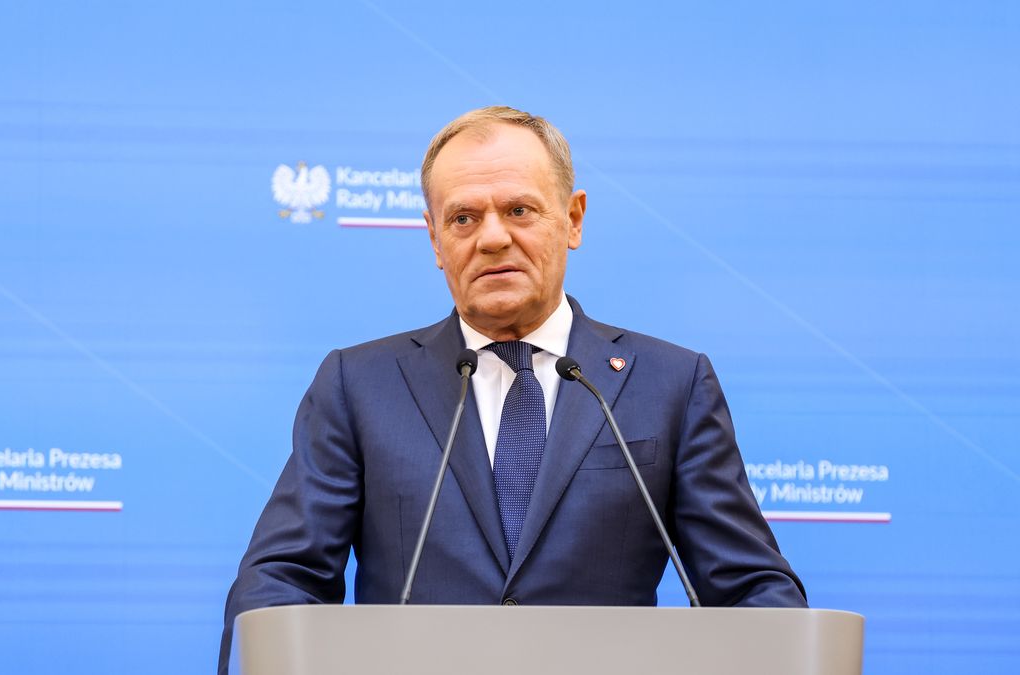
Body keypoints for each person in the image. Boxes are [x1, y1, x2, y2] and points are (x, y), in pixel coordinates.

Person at [218, 106, 806, 673]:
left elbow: (752, 590)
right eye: (463, 218)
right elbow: (280, 582)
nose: (492, 238)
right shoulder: (359, 384)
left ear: (572, 219)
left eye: (519, 210)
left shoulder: (670, 384)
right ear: (434, 238)